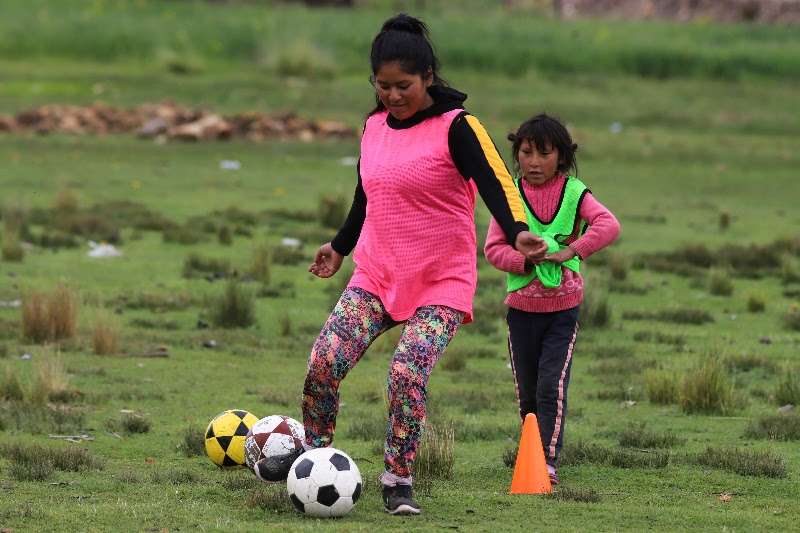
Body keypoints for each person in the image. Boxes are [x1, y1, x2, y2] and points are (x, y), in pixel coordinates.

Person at [258, 12, 548, 515]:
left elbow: (497, 180)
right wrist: (339, 246)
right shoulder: (373, 127)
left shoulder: (457, 128)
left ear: (428, 76)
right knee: (324, 362)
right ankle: (314, 458)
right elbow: (366, 192)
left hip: (442, 280)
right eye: (383, 86)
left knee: (406, 373)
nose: (393, 96)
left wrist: (519, 229)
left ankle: (398, 478)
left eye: (404, 85)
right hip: (377, 273)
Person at [484, 112, 620, 486]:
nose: (534, 161)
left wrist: (569, 250)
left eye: (544, 153)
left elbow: (609, 225)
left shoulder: (575, 192)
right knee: (526, 390)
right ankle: (531, 451)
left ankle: (546, 459)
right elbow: (492, 248)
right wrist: (523, 260)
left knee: (550, 386)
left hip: (563, 310)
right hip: (520, 311)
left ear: (561, 156)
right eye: (526, 152)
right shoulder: (509, 195)